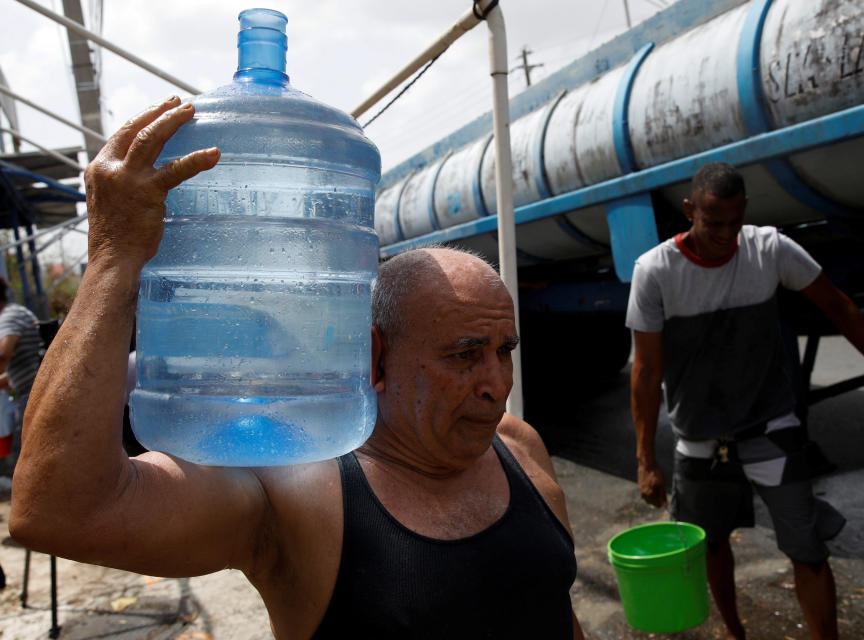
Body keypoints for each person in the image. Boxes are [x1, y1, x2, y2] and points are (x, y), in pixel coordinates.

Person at [10, 97, 584, 639]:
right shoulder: (299, 494)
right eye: (463, 355)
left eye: (503, 351)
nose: (496, 385)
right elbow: (58, 510)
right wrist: (115, 256)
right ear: (375, 356)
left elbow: (556, 613)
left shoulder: (521, 448)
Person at [626, 162, 864, 640]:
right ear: (689, 211)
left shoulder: (769, 249)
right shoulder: (655, 271)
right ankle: (735, 633)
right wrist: (645, 459)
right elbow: (646, 370)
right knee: (711, 544)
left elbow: (839, 306)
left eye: (734, 222)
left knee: (808, 549)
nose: (725, 234)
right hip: (699, 440)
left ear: (745, 213)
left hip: (771, 430)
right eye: (712, 222)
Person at [0, 275, 42, 476]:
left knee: (21, 455)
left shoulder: (8, 316)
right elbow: (14, 371)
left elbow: (3, 355)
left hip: (32, 394)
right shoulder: (17, 312)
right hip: (33, 390)